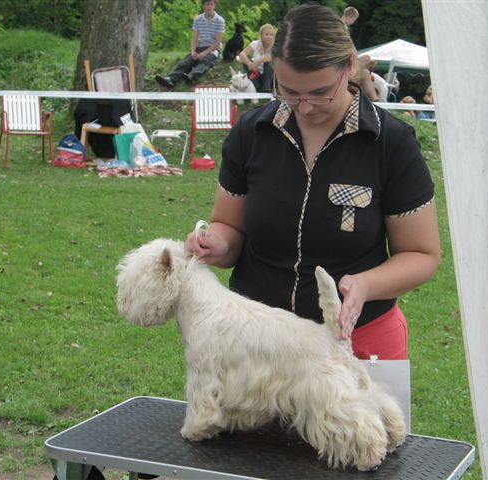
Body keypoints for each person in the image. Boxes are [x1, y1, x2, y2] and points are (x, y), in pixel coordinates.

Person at [185, 4, 440, 361]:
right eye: (288, 90)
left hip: (355, 340)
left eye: (320, 91)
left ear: (350, 67)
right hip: (258, 340)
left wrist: (366, 284)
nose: (303, 106)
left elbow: (422, 254)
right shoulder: (252, 132)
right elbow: (229, 226)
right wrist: (216, 244)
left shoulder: (390, 143)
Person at [155, 0, 225, 89]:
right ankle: (171, 79)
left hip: (213, 49)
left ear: (214, 5)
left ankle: (191, 77)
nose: (209, 7)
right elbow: (194, 38)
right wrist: (193, 51)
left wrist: (204, 53)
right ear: (204, 5)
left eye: (211, 4)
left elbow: (217, 43)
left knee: (205, 62)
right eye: (207, 4)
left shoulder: (220, 20)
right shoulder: (198, 19)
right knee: (186, 61)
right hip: (200, 47)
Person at [237, 23, 275, 93]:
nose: (269, 37)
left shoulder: (276, 45)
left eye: (271, 35)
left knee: (269, 62)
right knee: (245, 59)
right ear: (261, 35)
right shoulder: (256, 43)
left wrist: (257, 61)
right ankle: (256, 87)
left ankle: (266, 89)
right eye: (266, 34)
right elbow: (242, 54)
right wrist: (250, 64)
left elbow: (274, 57)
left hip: (270, 78)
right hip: (256, 74)